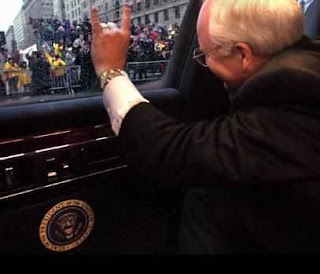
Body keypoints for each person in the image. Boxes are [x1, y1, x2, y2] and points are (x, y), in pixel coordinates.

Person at [90, 0, 320, 253]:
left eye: (205, 54)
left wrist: (110, 71)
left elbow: (170, 152)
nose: (205, 64)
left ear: (243, 54)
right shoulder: (307, 61)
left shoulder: (292, 93)